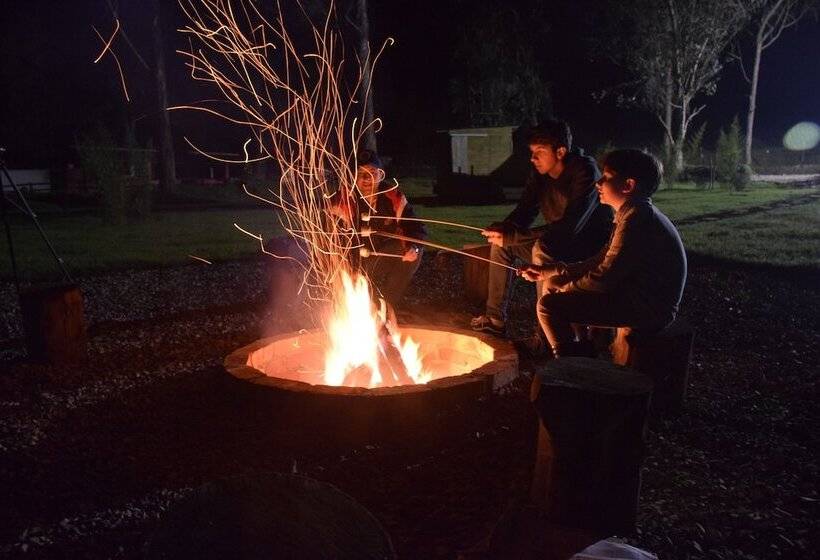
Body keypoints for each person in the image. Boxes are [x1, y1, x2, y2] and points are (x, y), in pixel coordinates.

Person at [519, 149, 687, 358]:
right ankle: (581, 349)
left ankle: (571, 365)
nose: (598, 183)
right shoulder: (631, 212)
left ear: (628, 185)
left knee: (548, 306)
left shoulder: (637, 219)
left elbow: (604, 277)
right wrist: (550, 272)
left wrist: (568, 288)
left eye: (606, 177)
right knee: (552, 283)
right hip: (635, 294)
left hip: (649, 308)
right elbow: (599, 260)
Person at [470, 120, 613, 346]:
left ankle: (544, 337)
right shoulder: (540, 173)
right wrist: (505, 229)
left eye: (539, 152)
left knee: (541, 249)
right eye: (531, 152)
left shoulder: (584, 172)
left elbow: (571, 227)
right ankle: (495, 320)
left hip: (584, 250)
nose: (532, 158)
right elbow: (525, 210)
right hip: (555, 242)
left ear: (560, 151)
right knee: (502, 246)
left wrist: (515, 236)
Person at [331, 150, 427, 307]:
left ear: (380, 175)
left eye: (372, 172)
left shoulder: (393, 197)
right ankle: (367, 306)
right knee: (355, 291)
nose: (367, 178)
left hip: (385, 253)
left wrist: (414, 247)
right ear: (353, 176)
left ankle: (387, 306)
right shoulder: (343, 200)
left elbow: (415, 226)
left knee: (414, 252)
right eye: (361, 173)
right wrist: (348, 268)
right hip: (358, 259)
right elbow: (333, 239)